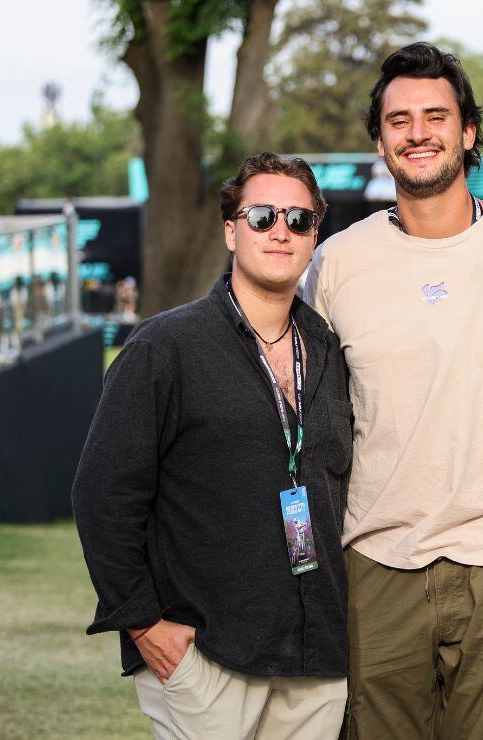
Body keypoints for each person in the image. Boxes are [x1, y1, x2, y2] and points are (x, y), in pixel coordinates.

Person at [307, 42, 483, 739]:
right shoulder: (336, 263)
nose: (418, 132)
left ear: (468, 131)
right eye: (399, 120)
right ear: (379, 138)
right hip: (377, 551)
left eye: (435, 115)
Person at [73, 152, 353, 738]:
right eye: (261, 215)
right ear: (231, 230)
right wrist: (144, 623)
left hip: (315, 654)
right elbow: (103, 493)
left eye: (299, 220)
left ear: (314, 237)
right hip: (207, 653)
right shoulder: (165, 348)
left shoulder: (327, 349)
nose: (281, 230)